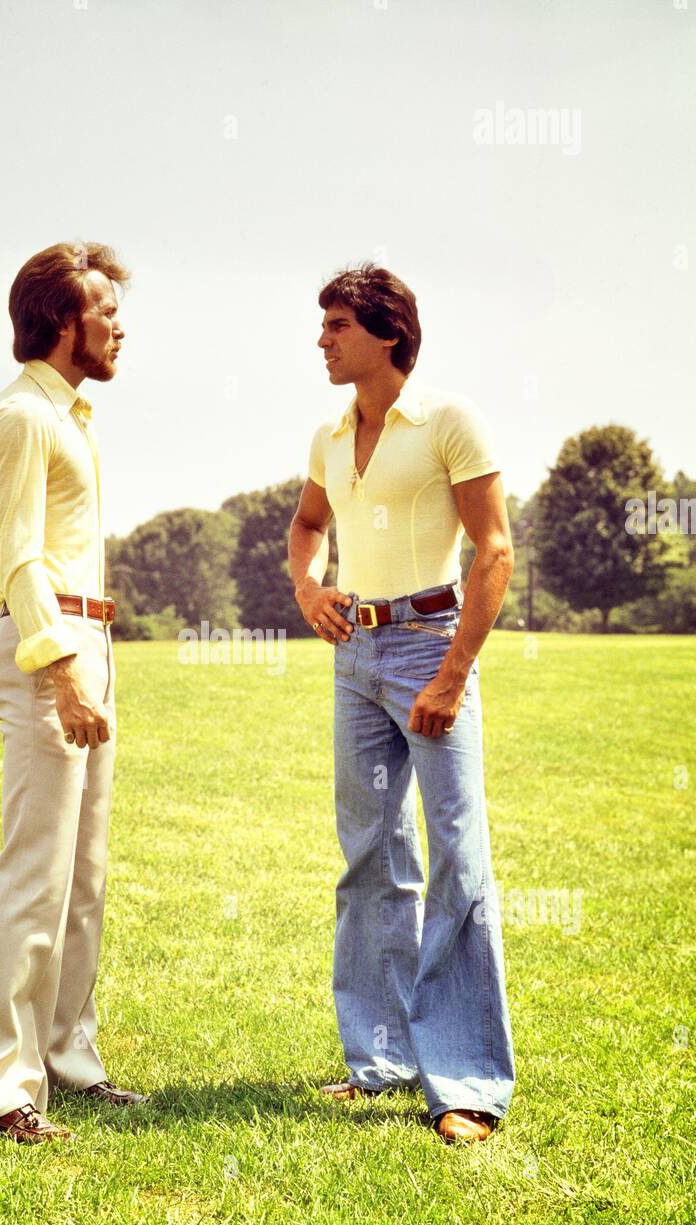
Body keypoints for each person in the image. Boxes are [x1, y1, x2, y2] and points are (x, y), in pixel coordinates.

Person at [288, 263, 516, 1144]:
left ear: (387, 334)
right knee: (371, 855)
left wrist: (452, 675)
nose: (322, 340)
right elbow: (307, 529)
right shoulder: (328, 436)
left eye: (337, 325)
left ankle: (465, 1082)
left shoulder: (450, 421)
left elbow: (494, 552)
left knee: (458, 853)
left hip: (432, 643)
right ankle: (378, 1060)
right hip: (356, 656)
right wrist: (311, 591)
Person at [0, 241, 147, 1144]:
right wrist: (62, 670)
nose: (119, 324)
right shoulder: (21, 418)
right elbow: (17, 558)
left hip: (89, 640)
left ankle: (65, 1061)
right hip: (49, 652)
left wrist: (88, 657)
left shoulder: (71, 416)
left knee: (83, 879)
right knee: (34, 876)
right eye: (105, 309)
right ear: (63, 319)